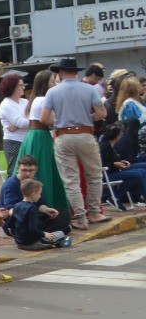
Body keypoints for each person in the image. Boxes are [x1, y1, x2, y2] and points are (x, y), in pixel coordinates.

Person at [46, 57, 108, 229]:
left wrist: (59, 121)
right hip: (86, 134)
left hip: (63, 136)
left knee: (70, 179)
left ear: (61, 72)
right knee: (94, 175)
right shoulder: (89, 89)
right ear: (76, 72)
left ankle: (81, 218)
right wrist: (88, 117)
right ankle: (94, 212)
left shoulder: (53, 92)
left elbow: (44, 117)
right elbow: (102, 113)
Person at [16, 69, 66, 213]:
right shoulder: (43, 100)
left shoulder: (36, 99)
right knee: (44, 171)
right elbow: (50, 120)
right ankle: (47, 205)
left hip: (35, 135)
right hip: (41, 136)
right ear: (45, 84)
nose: (55, 84)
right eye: (52, 81)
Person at [0, 155, 71, 241]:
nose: (27, 174)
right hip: (16, 221)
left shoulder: (34, 181)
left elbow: (39, 204)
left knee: (64, 213)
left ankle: (45, 231)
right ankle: (50, 231)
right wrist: (27, 215)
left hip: (32, 214)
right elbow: (10, 210)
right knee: (33, 223)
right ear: (18, 169)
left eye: (30, 170)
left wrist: (47, 210)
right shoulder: (11, 184)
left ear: (35, 170)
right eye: (24, 170)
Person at [8, 180, 69, 250]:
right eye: (39, 194)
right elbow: (33, 229)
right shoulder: (31, 208)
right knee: (60, 234)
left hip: (19, 243)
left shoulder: (17, 205)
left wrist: (18, 236)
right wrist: (44, 235)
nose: (40, 196)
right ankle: (58, 242)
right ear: (33, 194)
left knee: (46, 233)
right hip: (32, 243)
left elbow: (10, 224)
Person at [99, 123, 146, 206]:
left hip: (114, 171)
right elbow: (100, 163)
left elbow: (112, 160)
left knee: (140, 173)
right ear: (117, 136)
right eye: (121, 133)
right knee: (138, 174)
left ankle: (115, 197)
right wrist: (114, 164)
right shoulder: (104, 146)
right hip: (107, 174)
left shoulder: (110, 145)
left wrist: (122, 162)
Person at [0, 74, 30, 177]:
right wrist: (21, 124)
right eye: (21, 85)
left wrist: (19, 125)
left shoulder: (25, 101)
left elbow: (27, 120)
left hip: (26, 140)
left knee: (28, 170)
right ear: (12, 88)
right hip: (14, 141)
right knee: (14, 171)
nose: (24, 87)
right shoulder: (6, 104)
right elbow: (22, 122)